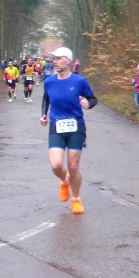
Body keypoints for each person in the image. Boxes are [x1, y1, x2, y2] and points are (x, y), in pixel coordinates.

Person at [39, 47, 97, 215]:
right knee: (56, 165)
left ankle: (76, 199)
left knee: (73, 167)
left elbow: (93, 99)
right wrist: (44, 115)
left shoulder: (80, 81)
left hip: (76, 126)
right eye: (54, 59)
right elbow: (46, 99)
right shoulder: (49, 82)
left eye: (59, 58)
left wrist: (88, 103)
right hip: (56, 126)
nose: (55, 62)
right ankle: (64, 182)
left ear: (68, 61)